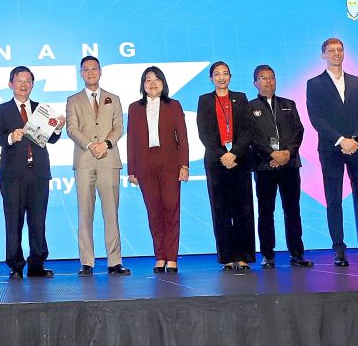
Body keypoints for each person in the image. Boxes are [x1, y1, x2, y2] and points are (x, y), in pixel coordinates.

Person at [305, 38, 358, 266]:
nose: (336, 53)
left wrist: (356, 139)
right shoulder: (314, 83)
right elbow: (316, 118)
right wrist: (341, 140)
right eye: (331, 50)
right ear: (323, 55)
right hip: (331, 148)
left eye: (340, 50)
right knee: (334, 200)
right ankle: (339, 250)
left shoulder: (357, 82)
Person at [0, 66, 66, 279]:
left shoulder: (42, 109)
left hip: (39, 173)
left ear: (32, 85)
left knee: (38, 220)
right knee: (13, 221)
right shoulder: (1, 110)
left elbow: (51, 138)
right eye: (19, 81)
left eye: (28, 81)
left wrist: (58, 127)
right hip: (12, 174)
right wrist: (10, 137)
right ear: (10, 84)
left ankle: (37, 264)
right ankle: (15, 265)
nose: (23, 85)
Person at [65, 55, 129, 276]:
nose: (90, 72)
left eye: (94, 68)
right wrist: (91, 145)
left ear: (101, 72)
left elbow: (119, 127)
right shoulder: (73, 100)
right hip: (84, 160)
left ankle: (114, 261)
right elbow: (71, 129)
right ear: (81, 73)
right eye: (86, 69)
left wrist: (106, 144)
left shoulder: (114, 98)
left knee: (111, 212)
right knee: (85, 212)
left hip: (109, 159)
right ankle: (86, 262)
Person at [245, 65, 313, 269]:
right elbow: (251, 137)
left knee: (292, 210)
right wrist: (271, 154)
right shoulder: (249, 108)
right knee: (266, 212)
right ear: (255, 83)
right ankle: (267, 255)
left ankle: (297, 253)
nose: (268, 82)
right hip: (265, 166)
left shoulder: (289, 104)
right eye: (263, 78)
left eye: (271, 78)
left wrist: (287, 154)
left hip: (290, 165)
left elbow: (298, 132)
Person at [126, 66, 189, 273]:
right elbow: (132, 140)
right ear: (143, 85)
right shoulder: (134, 108)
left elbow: (183, 137)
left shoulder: (174, 105)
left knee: (171, 209)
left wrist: (184, 165)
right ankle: (160, 256)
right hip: (145, 164)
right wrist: (131, 169)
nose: (152, 84)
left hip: (169, 162)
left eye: (156, 80)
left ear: (163, 83)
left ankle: (172, 258)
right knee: (154, 212)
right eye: (148, 80)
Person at [196, 61, 256, 272]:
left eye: (225, 74)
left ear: (230, 77)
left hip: (239, 160)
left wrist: (235, 153)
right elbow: (204, 133)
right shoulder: (204, 101)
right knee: (221, 210)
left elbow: (249, 129)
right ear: (210, 78)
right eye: (217, 74)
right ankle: (227, 257)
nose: (221, 77)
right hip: (216, 161)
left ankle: (244, 256)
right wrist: (223, 155)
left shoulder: (240, 98)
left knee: (243, 209)